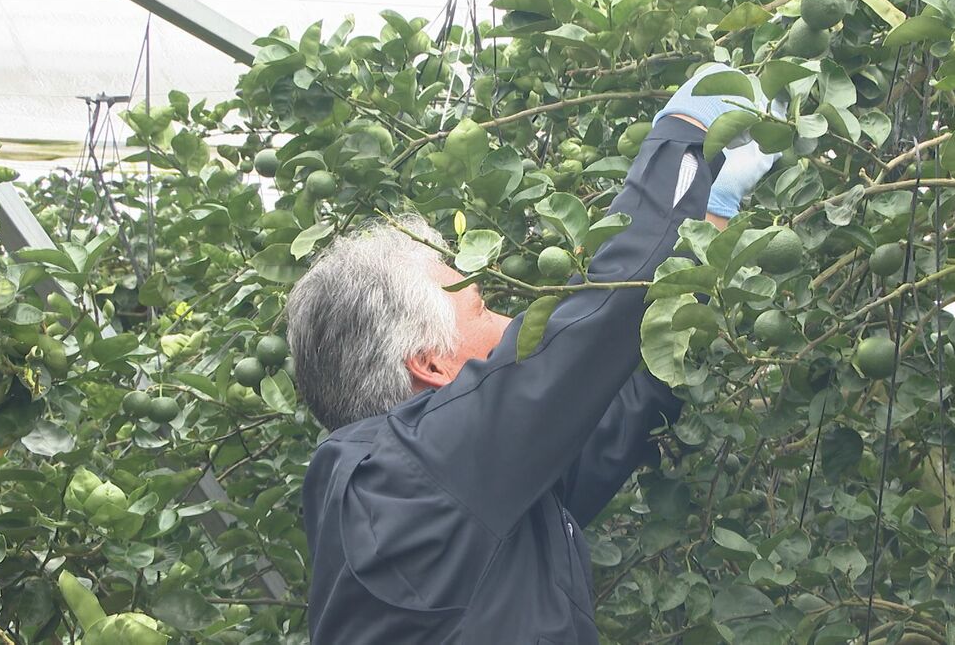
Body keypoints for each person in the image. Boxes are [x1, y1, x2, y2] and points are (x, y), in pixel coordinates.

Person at [289, 63, 781, 643]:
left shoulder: (469, 502)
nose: (509, 325)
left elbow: (623, 396)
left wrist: (706, 221)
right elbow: (596, 326)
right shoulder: (402, 480)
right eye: (480, 310)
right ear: (430, 363)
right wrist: (683, 137)